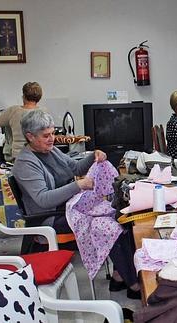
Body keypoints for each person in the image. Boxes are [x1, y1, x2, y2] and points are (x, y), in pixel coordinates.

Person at [11, 109, 139, 298]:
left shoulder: (51, 150)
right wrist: (77, 185)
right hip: (49, 217)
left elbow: (76, 167)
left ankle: (120, 276)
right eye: (46, 135)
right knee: (109, 226)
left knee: (123, 215)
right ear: (30, 136)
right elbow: (43, 199)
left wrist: (94, 155)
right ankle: (133, 283)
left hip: (70, 208)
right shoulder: (25, 164)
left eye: (53, 133)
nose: (52, 139)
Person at [0, 82, 44, 162]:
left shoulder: (14, 111)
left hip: (18, 157)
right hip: (39, 155)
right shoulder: (44, 112)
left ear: (23, 96)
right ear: (39, 97)